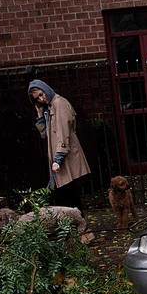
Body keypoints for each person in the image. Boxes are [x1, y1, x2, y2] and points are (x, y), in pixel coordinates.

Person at [28, 79, 91, 210]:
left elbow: (63, 132)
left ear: (45, 89)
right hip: (60, 157)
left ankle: (79, 227)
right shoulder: (50, 107)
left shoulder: (59, 103)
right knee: (67, 196)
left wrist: (58, 158)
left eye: (41, 94)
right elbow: (46, 134)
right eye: (37, 98)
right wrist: (40, 116)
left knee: (67, 196)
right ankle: (77, 227)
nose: (41, 99)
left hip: (65, 156)